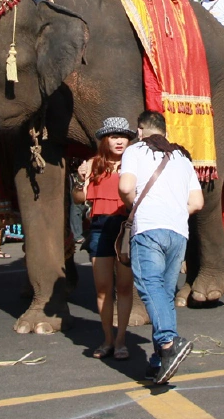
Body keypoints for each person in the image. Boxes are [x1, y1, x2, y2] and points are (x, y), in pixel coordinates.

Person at [118, 111, 203, 384]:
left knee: (149, 285)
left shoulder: (135, 150)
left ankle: (168, 342)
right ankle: (159, 360)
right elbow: (197, 202)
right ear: (165, 132)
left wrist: (135, 207)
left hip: (149, 228)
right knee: (165, 294)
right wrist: (173, 212)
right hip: (178, 232)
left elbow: (126, 187)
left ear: (140, 131)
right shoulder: (182, 158)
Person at [72, 117, 135, 360]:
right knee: (102, 288)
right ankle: (108, 339)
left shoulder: (135, 165)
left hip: (126, 227)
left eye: (123, 137)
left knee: (124, 287)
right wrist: (80, 178)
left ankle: (121, 340)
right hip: (99, 227)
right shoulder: (93, 164)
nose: (119, 141)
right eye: (114, 136)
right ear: (105, 140)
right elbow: (79, 198)